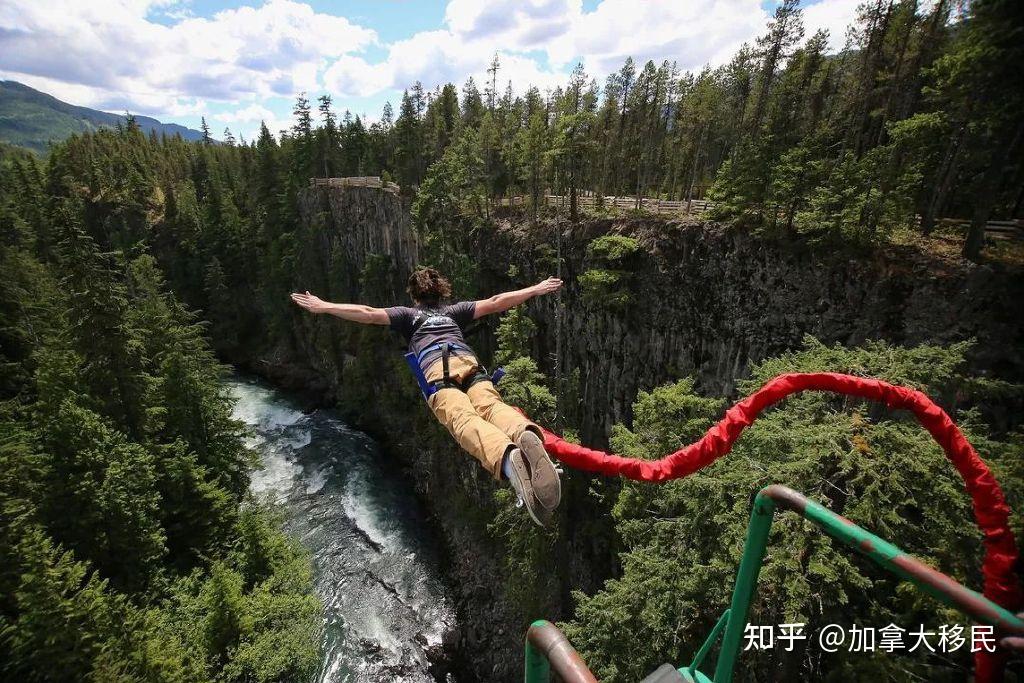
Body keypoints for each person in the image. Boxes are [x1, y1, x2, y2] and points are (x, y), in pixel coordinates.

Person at [290, 267, 564, 526]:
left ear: (414, 296)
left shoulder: (408, 316)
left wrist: (324, 306)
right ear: (441, 292)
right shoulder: (454, 312)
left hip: (438, 371)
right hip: (469, 364)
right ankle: (522, 432)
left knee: (463, 420)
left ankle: (507, 459)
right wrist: (536, 288)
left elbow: (368, 312)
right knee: (492, 406)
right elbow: (496, 301)